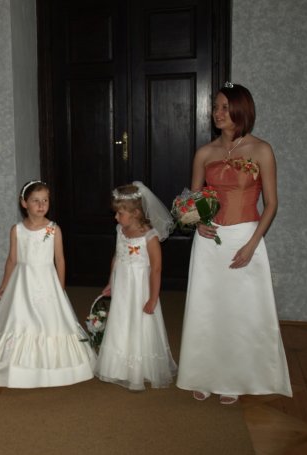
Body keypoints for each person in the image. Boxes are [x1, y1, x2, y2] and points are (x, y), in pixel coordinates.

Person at [176, 82, 292, 404]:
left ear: (242, 110)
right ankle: (202, 373)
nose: (218, 113)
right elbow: (192, 199)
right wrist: (197, 221)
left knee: (241, 311)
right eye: (215, 107)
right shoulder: (205, 153)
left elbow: (271, 204)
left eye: (225, 107)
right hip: (209, 240)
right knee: (207, 308)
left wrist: (253, 244)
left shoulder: (261, 150)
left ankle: (234, 377)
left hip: (244, 236)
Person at [0, 180, 95, 388]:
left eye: (45, 200)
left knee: (51, 321)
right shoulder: (17, 230)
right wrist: (4, 285)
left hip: (47, 282)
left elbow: (60, 259)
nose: (41, 205)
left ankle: (55, 368)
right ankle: (18, 369)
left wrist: (60, 288)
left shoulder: (53, 229)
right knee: (21, 320)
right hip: (23, 284)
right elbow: (12, 259)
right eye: (35, 200)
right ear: (24, 203)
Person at [94, 182, 177, 391]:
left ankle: (142, 368)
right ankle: (119, 366)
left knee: (140, 322)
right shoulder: (120, 230)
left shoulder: (150, 236)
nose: (116, 217)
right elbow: (117, 256)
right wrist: (110, 281)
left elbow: (156, 269)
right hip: (122, 283)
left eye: (120, 213)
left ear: (136, 213)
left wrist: (153, 298)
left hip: (141, 288)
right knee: (122, 319)